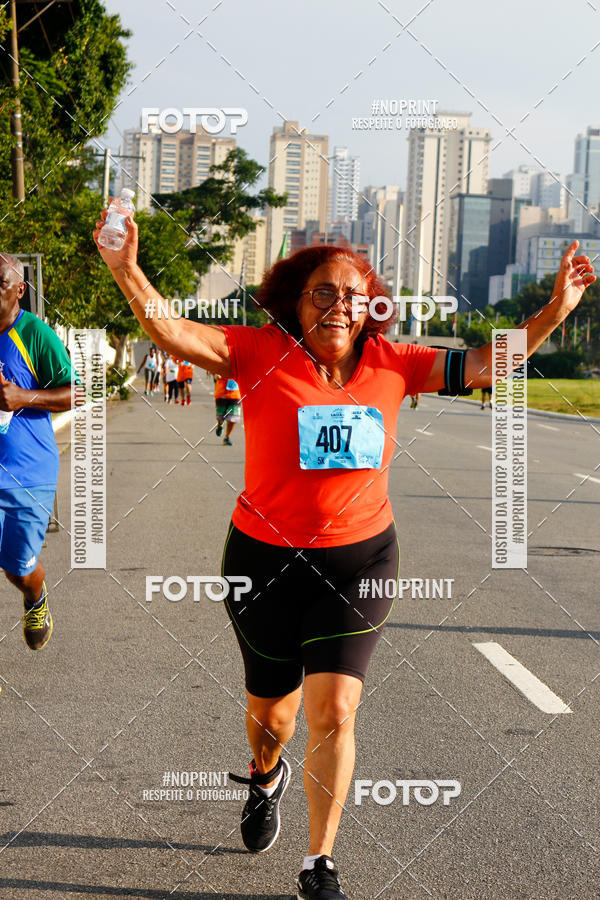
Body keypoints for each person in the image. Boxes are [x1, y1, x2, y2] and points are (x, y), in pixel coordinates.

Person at [94, 210, 595, 899]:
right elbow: (170, 329)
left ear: (371, 308)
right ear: (296, 302)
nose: (338, 306)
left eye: (353, 296)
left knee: (335, 711)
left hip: (357, 562)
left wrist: (556, 308)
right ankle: (265, 775)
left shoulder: (395, 362)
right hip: (263, 563)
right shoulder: (257, 351)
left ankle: (318, 862)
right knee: (274, 719)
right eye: (323, 293)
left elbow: (484, 366)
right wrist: (125, 267)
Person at [0, 253, 76, 651]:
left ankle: (35, 595)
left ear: (19, 290)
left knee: (18, 568)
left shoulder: (35, 335)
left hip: (29, 474)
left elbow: (72, 393)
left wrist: (21, 396)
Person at [214, 374, 242, 445]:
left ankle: (227, 437)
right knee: (221, 416)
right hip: (221, 392)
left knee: (234, 418)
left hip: (236, 393)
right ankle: (220, 424)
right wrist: (215, 373)